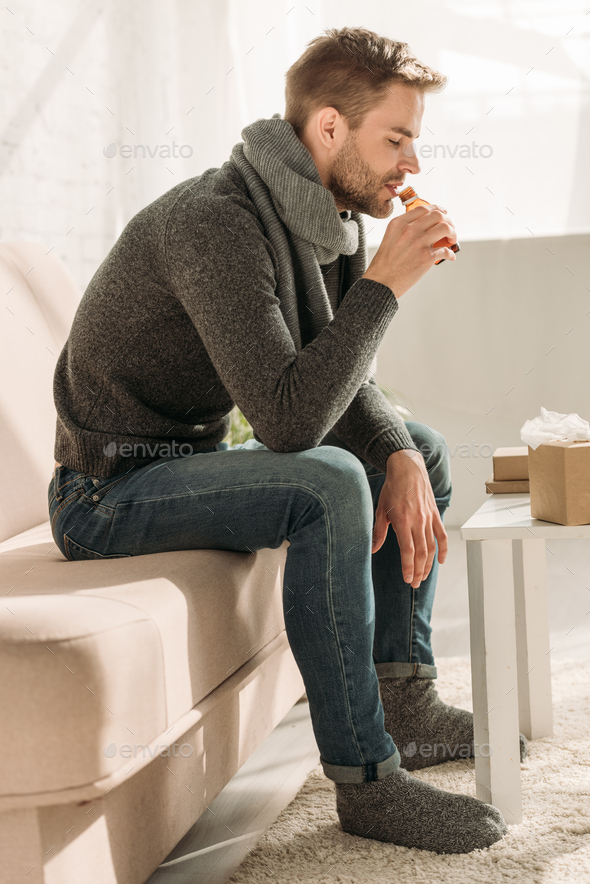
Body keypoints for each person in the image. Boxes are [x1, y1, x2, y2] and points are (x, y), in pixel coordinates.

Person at [48, 26, 523, 854]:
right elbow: (289, 418)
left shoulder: (329, 217)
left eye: (416, 141)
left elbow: (334, 383)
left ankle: (404, 702)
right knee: (333, 479)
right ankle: (367, 781)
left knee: (420, 447)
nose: (412, 164)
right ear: (330, 129)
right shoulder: (215, 222)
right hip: (105, 495)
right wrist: (385, 289)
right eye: (397, 139)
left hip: (187, 463)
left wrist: (403, 456)